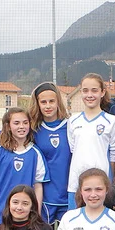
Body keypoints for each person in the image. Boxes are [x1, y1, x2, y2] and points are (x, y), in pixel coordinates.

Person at [68, 73, 115, 204]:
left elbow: (113, 157)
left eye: (94, 90)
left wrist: (109, 183)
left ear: (102, 92)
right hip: (75, 184)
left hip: (101, 186)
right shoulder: (73, 120)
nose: (89, 95)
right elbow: (73, 150)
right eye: (85, 91)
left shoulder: (112, 121)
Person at [0, 107, 47, 213]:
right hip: (0, 212)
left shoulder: (35, 153)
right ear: (8, 126)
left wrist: (37, 213)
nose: (21, 126)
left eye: (25, 123)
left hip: (24, 214)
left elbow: (38, 186)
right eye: (16, 123)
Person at [32, 83, 72, 222]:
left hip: (68, 195)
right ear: (37, 104)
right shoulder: (33, 129)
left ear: (58, 102)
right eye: (43, 102)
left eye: (51, 101)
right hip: (44, 197)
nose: (48, 106)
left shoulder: (71, 126)